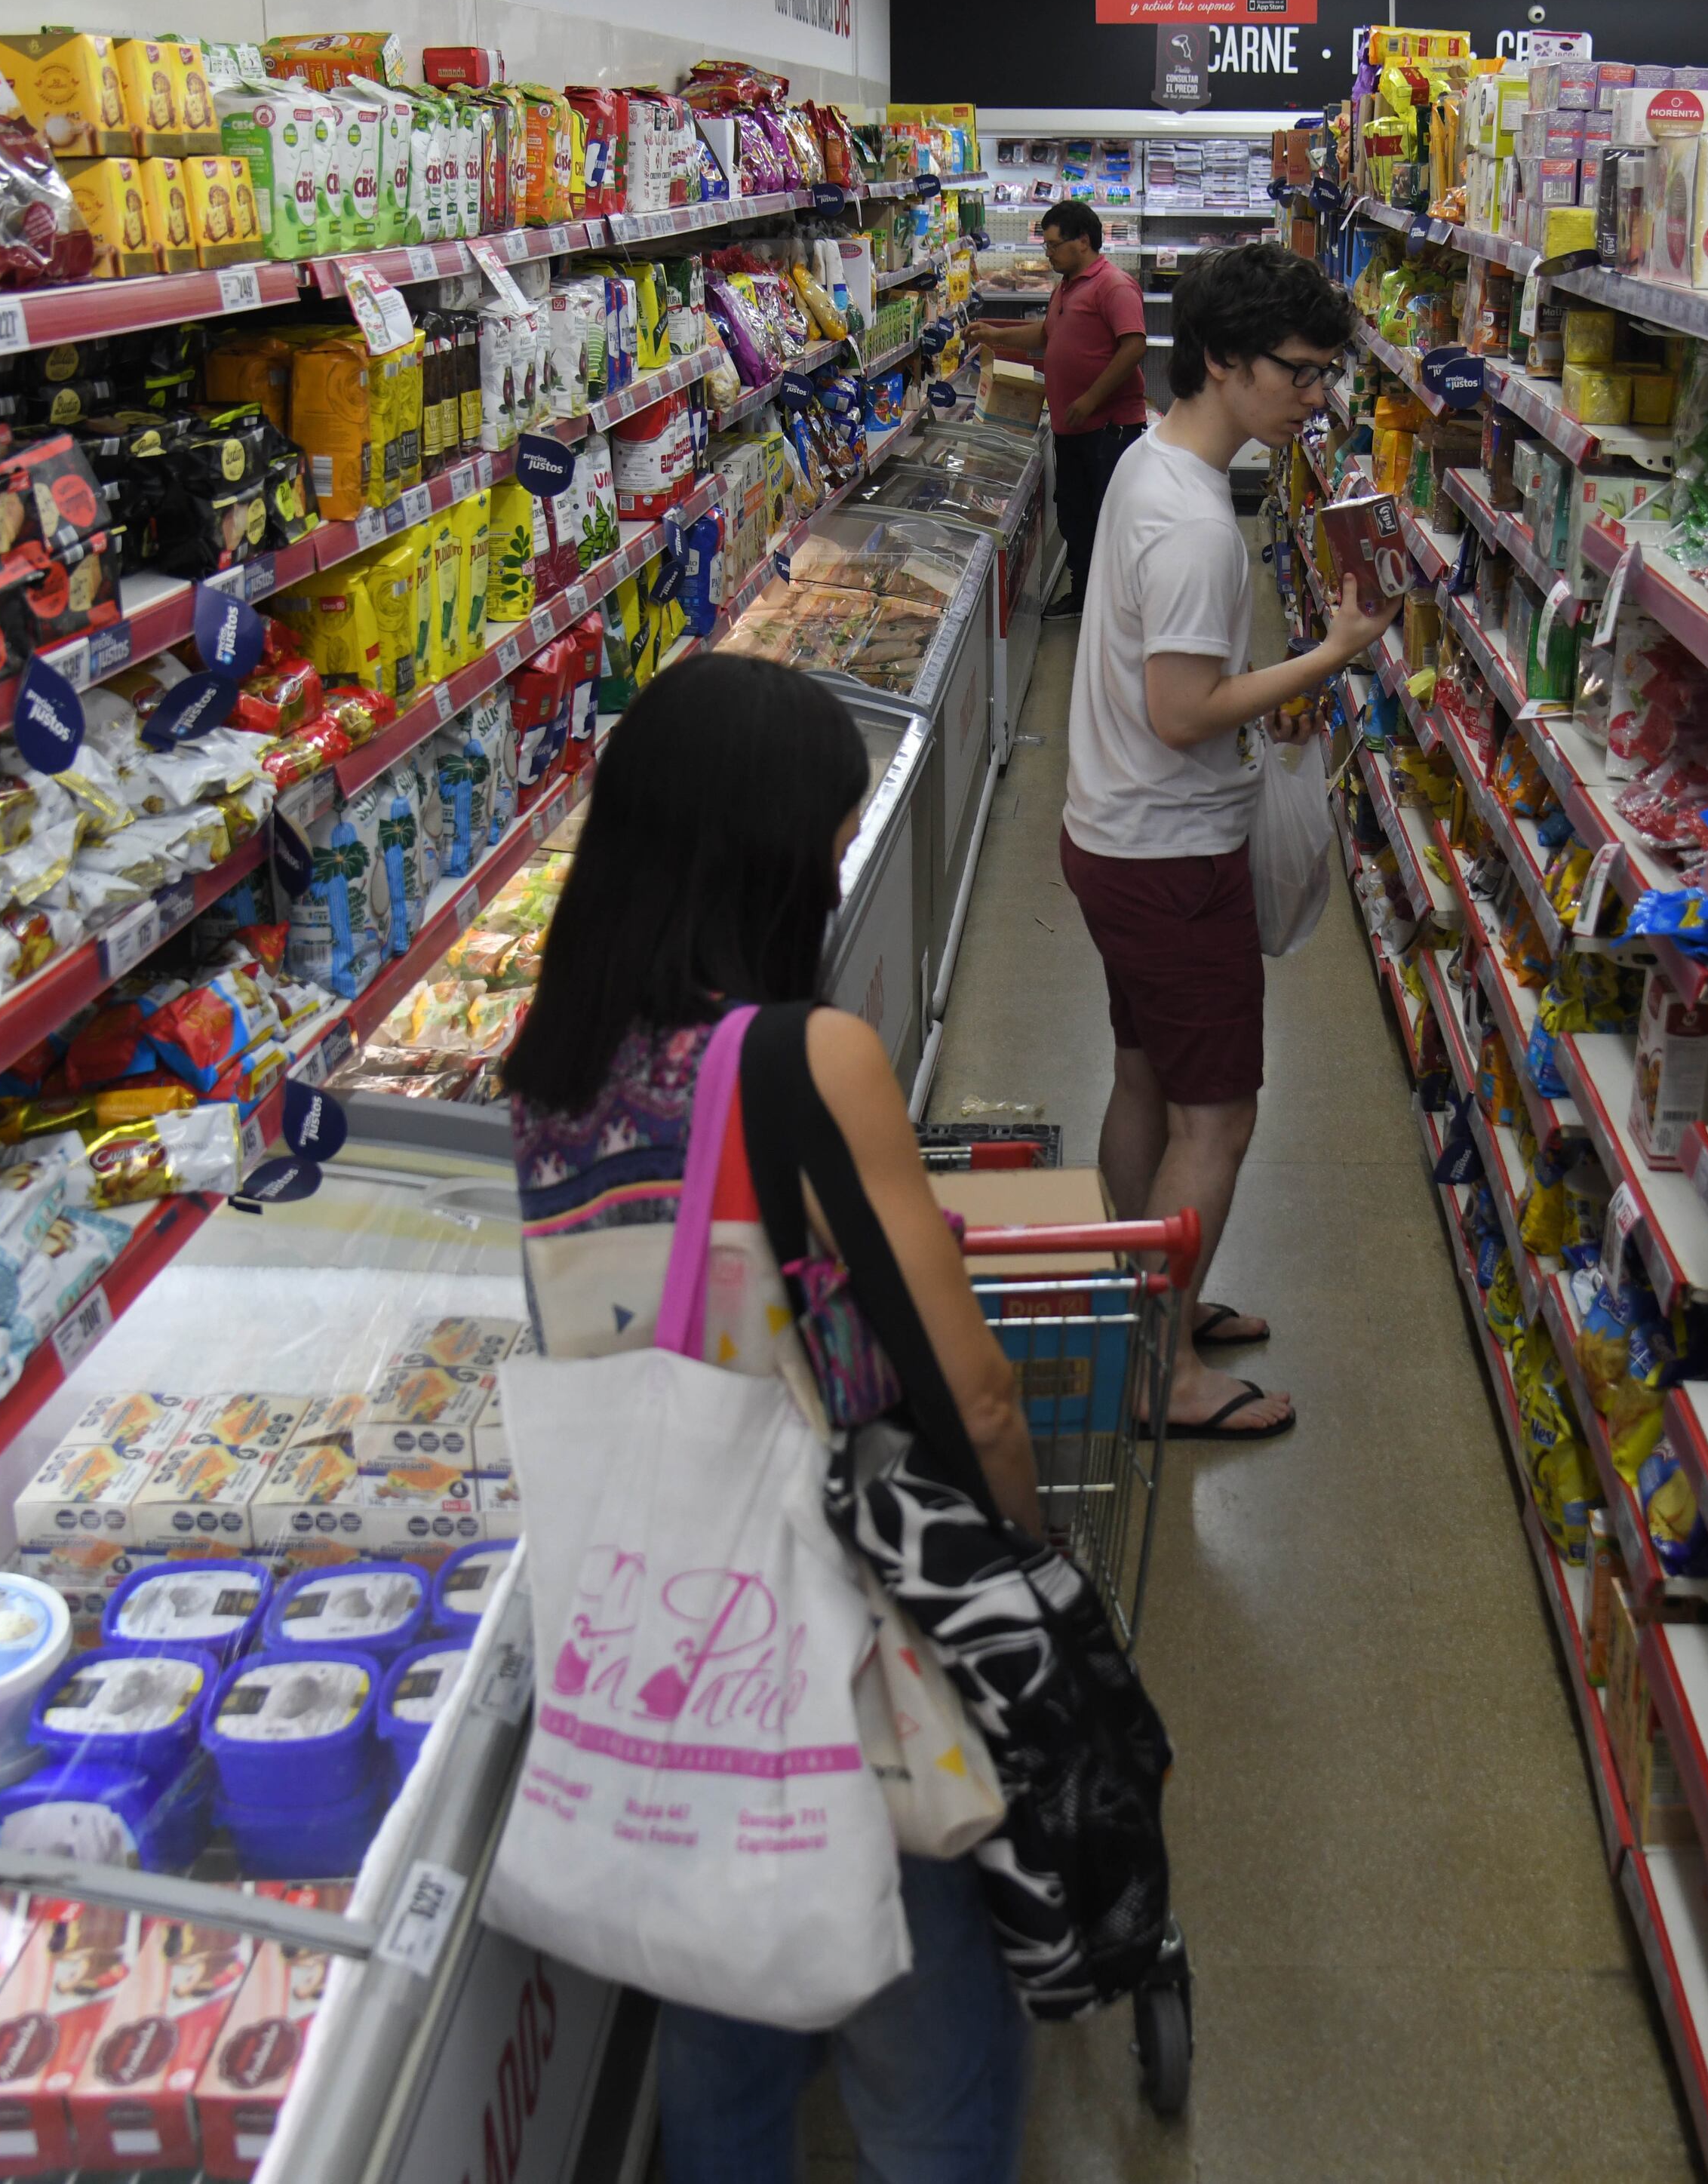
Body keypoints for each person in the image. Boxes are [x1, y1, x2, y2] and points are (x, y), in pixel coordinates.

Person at [503, 651, 1045, 2184]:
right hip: (845, 1626)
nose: (827, 864)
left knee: (721, 2053)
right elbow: (976, 1389)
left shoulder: (547, 1066)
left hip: (666, 1632)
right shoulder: (808, 1060)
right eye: (821, 832)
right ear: (760, 853)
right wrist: (1031, 1567)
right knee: (931, 2068)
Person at [1059, 242, 1388, 1443]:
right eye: (1299, 375)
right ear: (1220, 360)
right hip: (1168, 855)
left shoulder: (1154, 470)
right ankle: (1161, 1374)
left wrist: (1264, 681)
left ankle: (1145, 1302)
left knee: (1146, 1076)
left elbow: (1174, 684)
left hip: (1112, 832)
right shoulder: (1196, 527)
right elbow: (1183, 711)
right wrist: (1327, 658)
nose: (1317, 399)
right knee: (1220, 1120)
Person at [971, 199, 1147, 614]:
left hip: (1108, 429)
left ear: (1082, 241)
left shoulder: (1114, 285)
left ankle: (1117, 607)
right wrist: (995, 334)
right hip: (1074, 427)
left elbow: (1134, 345)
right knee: (1075, 516)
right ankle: (1086, 597)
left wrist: (1090, 399)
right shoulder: (1067, 286)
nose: (1046, 254)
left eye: (1052, 245)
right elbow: (1047, 335)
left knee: (1108, 518)